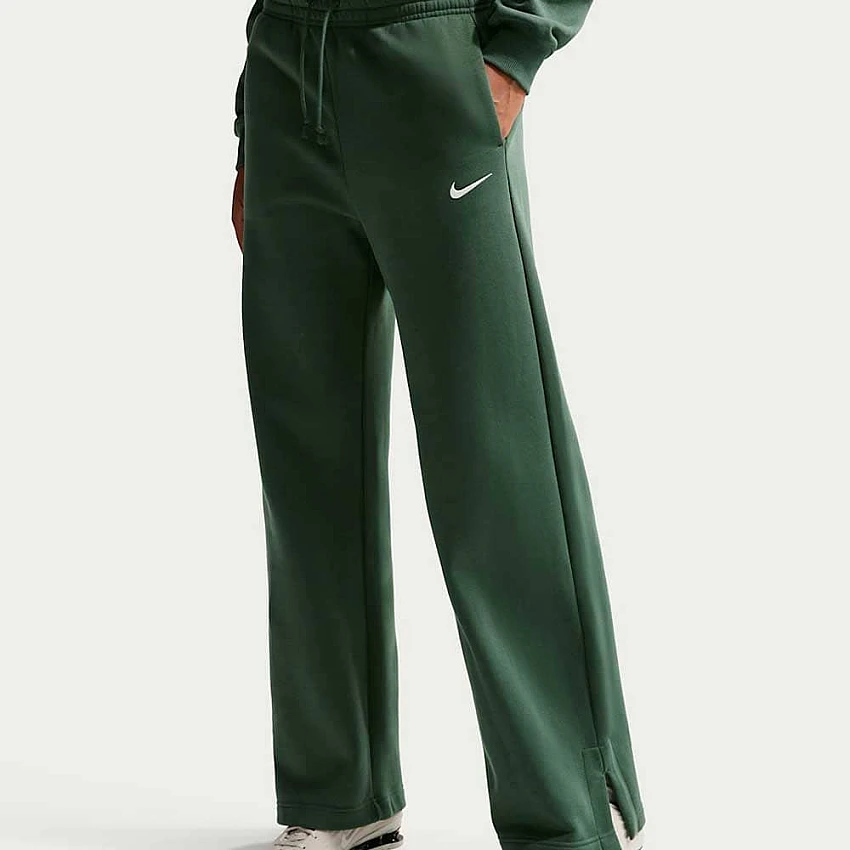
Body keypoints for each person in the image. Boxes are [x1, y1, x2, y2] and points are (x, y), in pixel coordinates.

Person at [230, 0, 647, 846]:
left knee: (495, 457)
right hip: (286, 67)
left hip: (430, 54)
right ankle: (339, 796)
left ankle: (570, 813)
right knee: (307, 466)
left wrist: (515, 49)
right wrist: (253, 115)